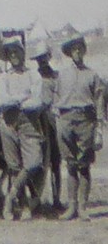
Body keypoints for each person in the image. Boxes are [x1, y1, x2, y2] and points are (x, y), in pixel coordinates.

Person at [54, 33, 104, 221]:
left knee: (84, 165)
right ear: (69, 52)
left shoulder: (92, 75)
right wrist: (59, 120)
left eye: (79, 48)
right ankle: (71, 207)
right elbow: (55, 101)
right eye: (73, 49)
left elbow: (99, 103)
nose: (77, 51)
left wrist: (99, 128)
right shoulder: (62, 75)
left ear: (83, 50)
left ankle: (83, 207)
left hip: (85, 120)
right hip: (66, 120)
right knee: (70, 165)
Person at [0, 36, 45, 221]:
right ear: (7, 56)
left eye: (17, 51)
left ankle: (10, 196)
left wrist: (17, 101)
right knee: (14, 166)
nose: (14, 55)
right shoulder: (3, 77)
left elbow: (37, 102)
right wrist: (22, 98)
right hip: (8, 122)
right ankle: (24, 206)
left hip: (28, 122)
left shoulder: (33, 75)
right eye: (10, 52)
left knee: (33, 162)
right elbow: (2, 101)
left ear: (23, 53)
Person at [30, 42, 62, 209]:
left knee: (56, 162)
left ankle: (57, 199)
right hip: (37, 123)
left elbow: (60, 97)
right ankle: (36, 199)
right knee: (37, 162)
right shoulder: (33, 77)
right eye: (39, 59)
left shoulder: (57, 77)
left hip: (52, 122)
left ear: (49, 57)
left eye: (44, 58)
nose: (42, 61)